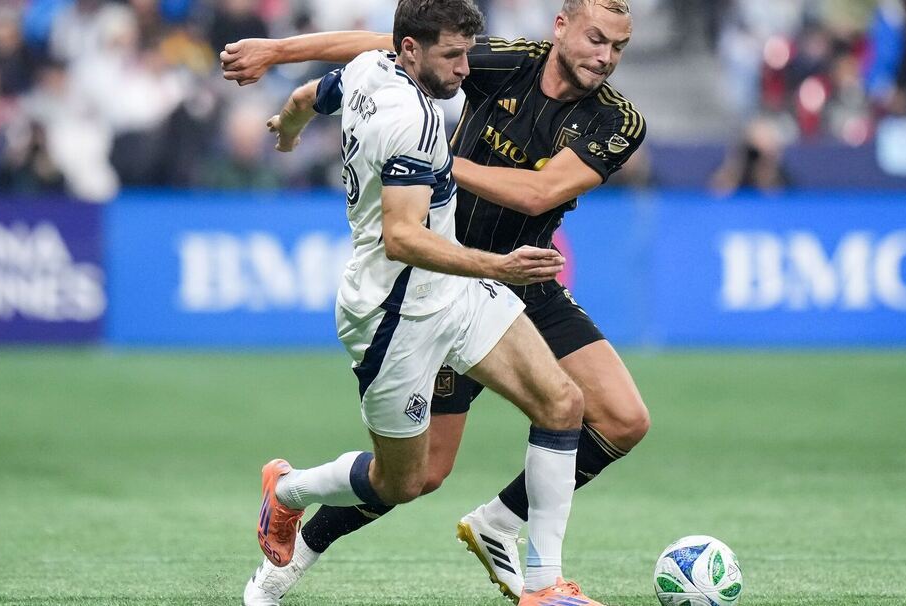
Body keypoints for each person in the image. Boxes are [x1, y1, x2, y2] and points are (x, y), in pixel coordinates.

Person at [226, 1, 649, 603]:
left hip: (520, 276)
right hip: (441, 270)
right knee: (417, 476)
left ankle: (515, 544)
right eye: (595, 39)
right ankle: (294, 536)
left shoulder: (618, 121)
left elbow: (540, 193)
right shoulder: (501, 62)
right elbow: (388, 42)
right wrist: (275, 53)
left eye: (618, 47)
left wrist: (442, 165)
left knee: (613, 416)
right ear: (561, 27)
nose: (604, 58)